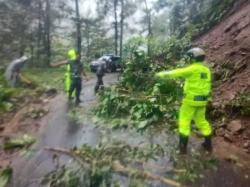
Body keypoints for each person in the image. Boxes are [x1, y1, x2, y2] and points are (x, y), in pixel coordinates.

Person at [155, 47, 212, 154]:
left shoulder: (192, 69)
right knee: (202, 121)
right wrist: (209, 99)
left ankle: (182, 148)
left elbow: (177, 72)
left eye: (190, 57)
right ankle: (208, 145)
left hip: (190, 101)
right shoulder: (207, 70)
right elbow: (207, 85)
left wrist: (160, 75)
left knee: (184, 122)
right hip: (203, 101)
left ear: (193, 58)